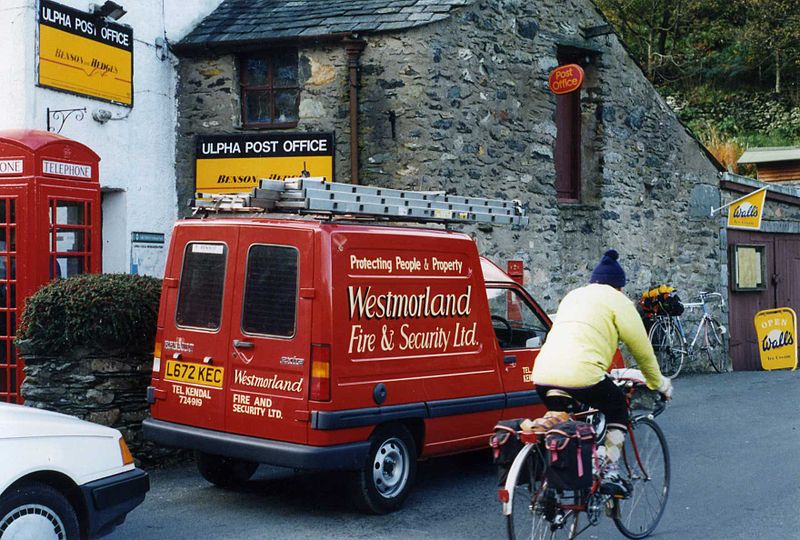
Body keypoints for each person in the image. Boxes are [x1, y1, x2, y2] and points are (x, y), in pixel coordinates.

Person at [531, 249, 673, 497]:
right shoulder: (619, 301)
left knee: (564, 422)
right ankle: (609, 471)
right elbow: (642, 351)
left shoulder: (573, 296)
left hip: (543, 374)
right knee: (617, 408)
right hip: (582, 374)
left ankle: (550, 491)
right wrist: (658, 383)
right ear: (619, 287)